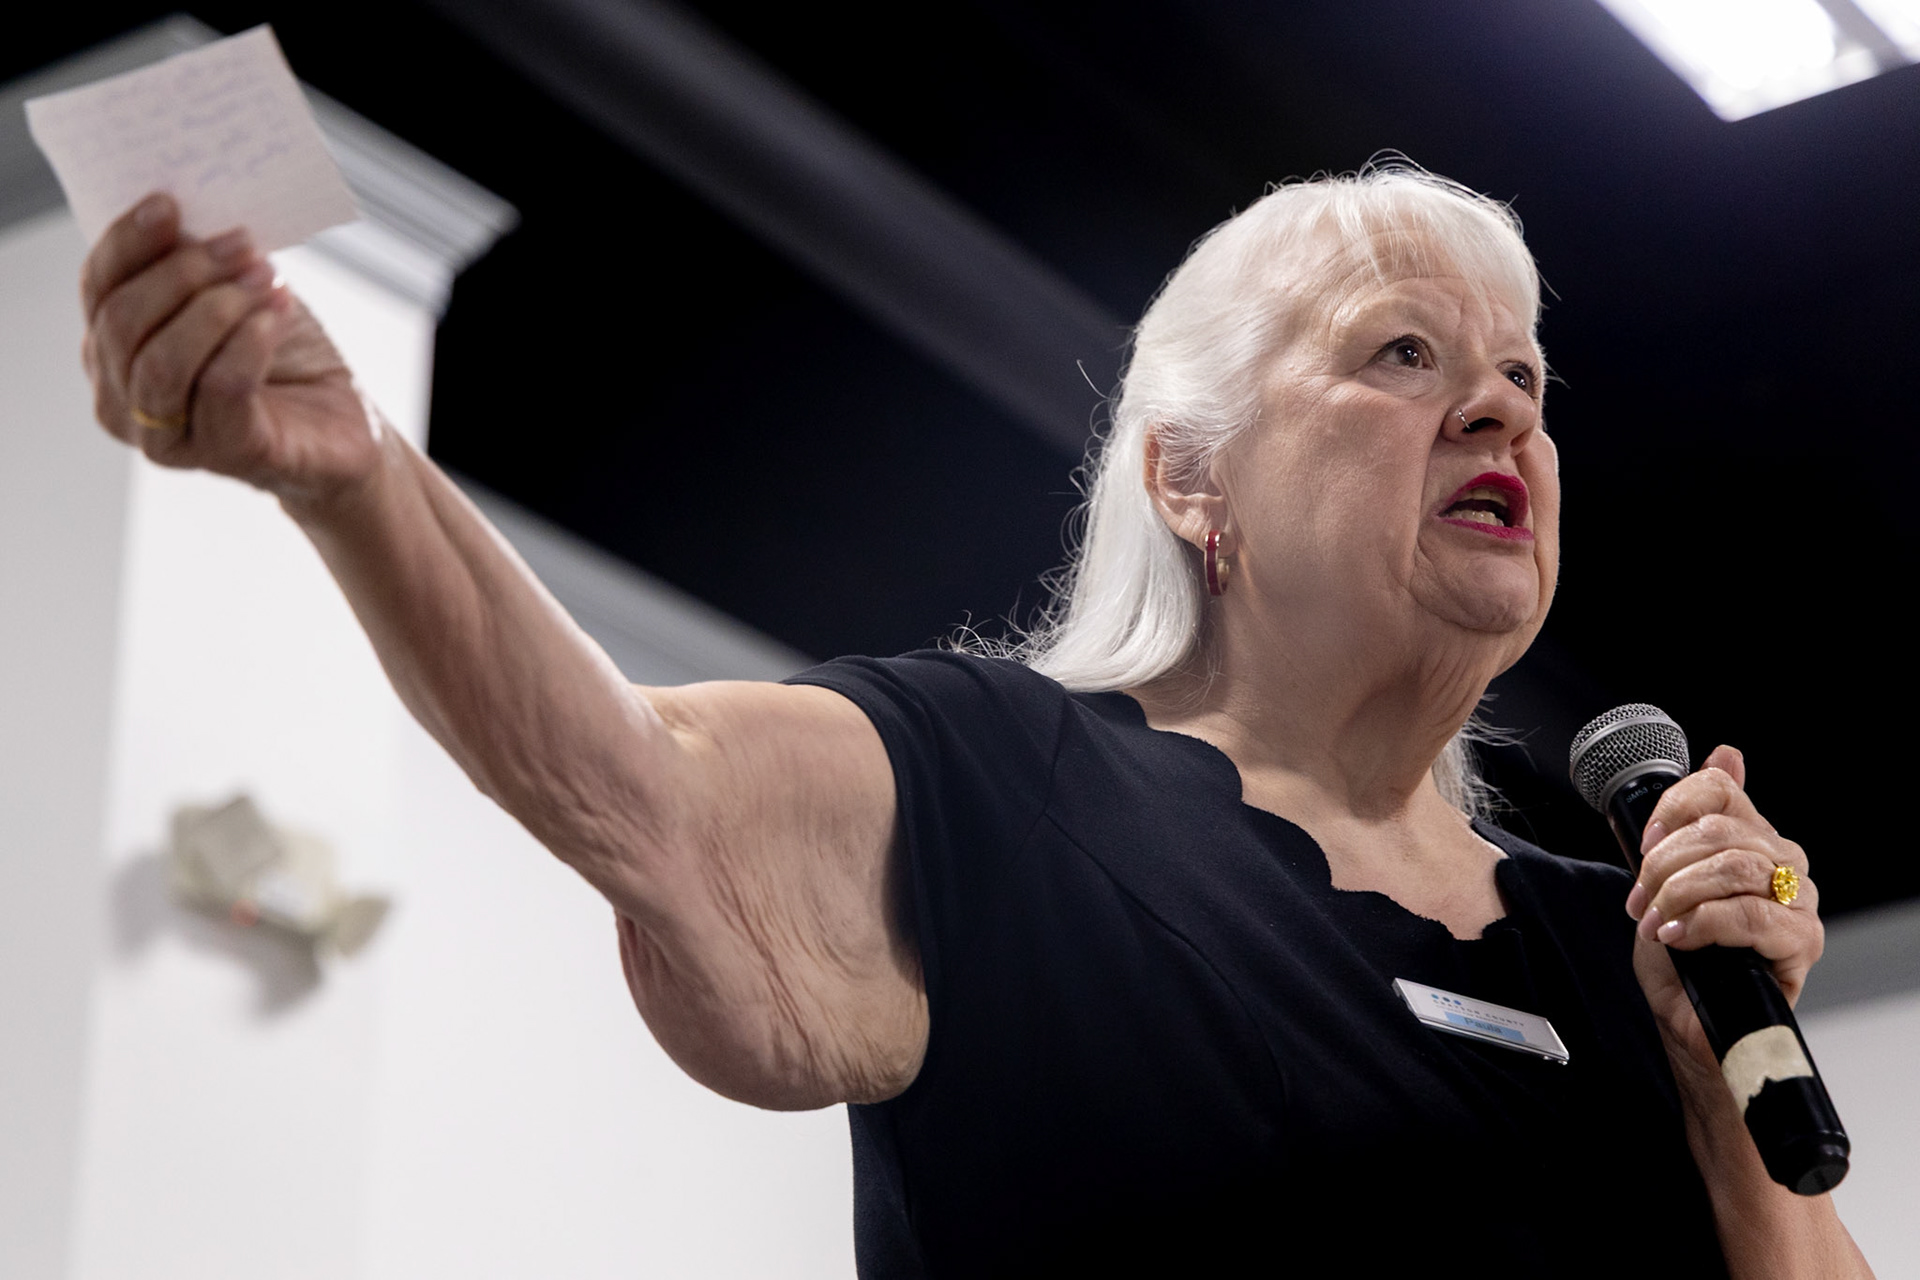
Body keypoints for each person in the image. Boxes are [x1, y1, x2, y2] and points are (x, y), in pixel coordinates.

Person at [77, 164, 1870, 1276]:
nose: (1498, 405)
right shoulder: (1006, 787)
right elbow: (635, 776)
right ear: (1192, 480)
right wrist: (353, 477)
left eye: (1526, 378)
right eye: (1407, 354)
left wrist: (1724, 1095)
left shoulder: (1627, 946)